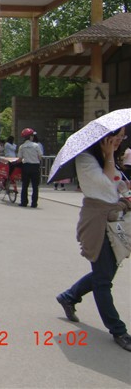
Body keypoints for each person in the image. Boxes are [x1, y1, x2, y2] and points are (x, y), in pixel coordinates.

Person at [56, 126, 131, 351]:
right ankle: (118, 330)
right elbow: (106, 185)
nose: (120, 141)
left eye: (122, 137)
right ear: (105, 138)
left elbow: (116, 183)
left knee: (105, 273)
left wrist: (124, 188)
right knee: (103, 281)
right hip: (96, 224)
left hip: (114, 221)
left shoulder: (107, 157)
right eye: (117, 137)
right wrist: (109, 157)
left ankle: (69, 296)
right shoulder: (86, 159)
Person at [17, 127, 42, 208]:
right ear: (30, 136)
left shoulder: (22, 146)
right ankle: (34, 203)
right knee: (35, 186)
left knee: (25, 185)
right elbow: (40, 157)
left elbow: (20, 159)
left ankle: (24, 202)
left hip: (26, 166)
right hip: (35, 167)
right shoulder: (36, 146)